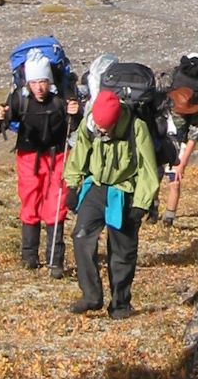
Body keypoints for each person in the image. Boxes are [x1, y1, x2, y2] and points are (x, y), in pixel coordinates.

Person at [62, 87, 159, 319]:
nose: (101, 131)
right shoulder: (90, 123)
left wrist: (141, 204)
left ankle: (120, 305)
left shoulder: (137, 128)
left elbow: (148, 168)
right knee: (81, 236)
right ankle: (91, 296)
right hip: (96, 186)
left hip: (124, 190)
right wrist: (72, 186)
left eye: (106, 129)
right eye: (99, 127)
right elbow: (79, 154)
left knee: (122, 251)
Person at [0, 49, 80, 275]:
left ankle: (54, 260)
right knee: (30, 201)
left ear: (50, 81)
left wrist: (75, 114)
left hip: (58, 156)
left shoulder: (61, 100)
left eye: (43, 82)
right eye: (34, 82)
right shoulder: (19, 99)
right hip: (29, 157)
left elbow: (76, 126)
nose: (39, 87)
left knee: (56, 204)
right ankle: (29, 257)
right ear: (27, 82)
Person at [161, 51, 198, 224]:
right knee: (174, 181)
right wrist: (182, 164)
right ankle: (168, 216)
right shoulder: (196, 97)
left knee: (155, 175)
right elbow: (194, 135)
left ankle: (158, 212)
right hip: (178, 145)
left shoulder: (169, 84)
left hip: (163, 141)